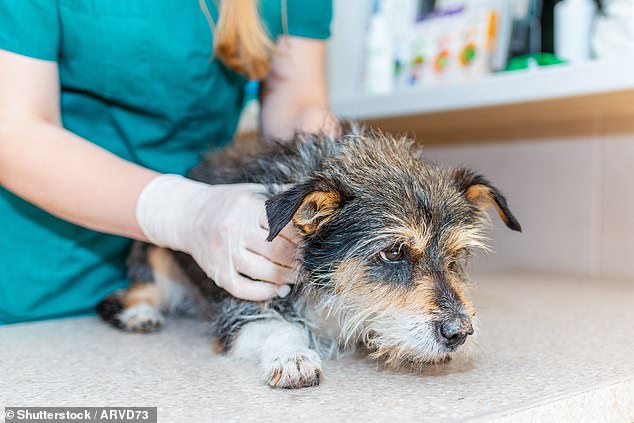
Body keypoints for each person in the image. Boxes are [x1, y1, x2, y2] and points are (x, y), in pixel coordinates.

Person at [0, 0, 338, 324]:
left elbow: (295, 106)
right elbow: (14, 131)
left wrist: (335, 169)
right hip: (52, 281)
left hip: (201, 279)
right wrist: (185, 212)